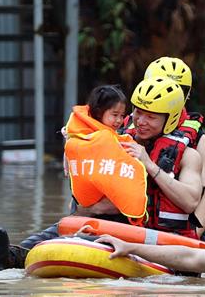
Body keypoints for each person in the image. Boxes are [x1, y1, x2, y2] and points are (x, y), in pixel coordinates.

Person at [142, 57, 205, 242]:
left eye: (177, 89)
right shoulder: (128, 126)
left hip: (175, 231)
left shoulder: (198, 141)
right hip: (131, 226)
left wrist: (192, 238)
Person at [122, 76, 203, 239]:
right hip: (125, 232)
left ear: (169, 119)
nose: (141, 122)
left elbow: (190, 202)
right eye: (138, 112)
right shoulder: (119, 142)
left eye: (151, 117)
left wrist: (149, 165)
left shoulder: (189, 156)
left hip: (167, 238)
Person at [63, 85, 147, 222]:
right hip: (84, 211)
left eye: (122, 115)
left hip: (111, 216)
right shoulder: (79, 140)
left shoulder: (115, 139)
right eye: (114, 115)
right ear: (98, 112)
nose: (119, 120)